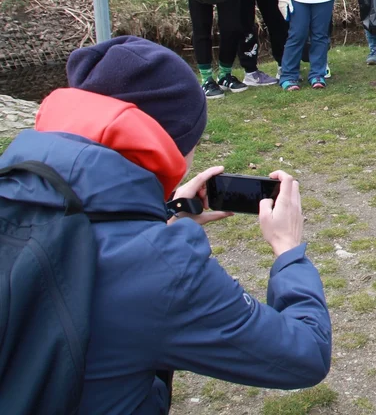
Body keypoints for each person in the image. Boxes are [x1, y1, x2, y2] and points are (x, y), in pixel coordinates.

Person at [0, 35, 332, 414]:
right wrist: (288, 250)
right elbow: (304, 354)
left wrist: (162, 215)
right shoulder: (162, 266)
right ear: (172, 145)